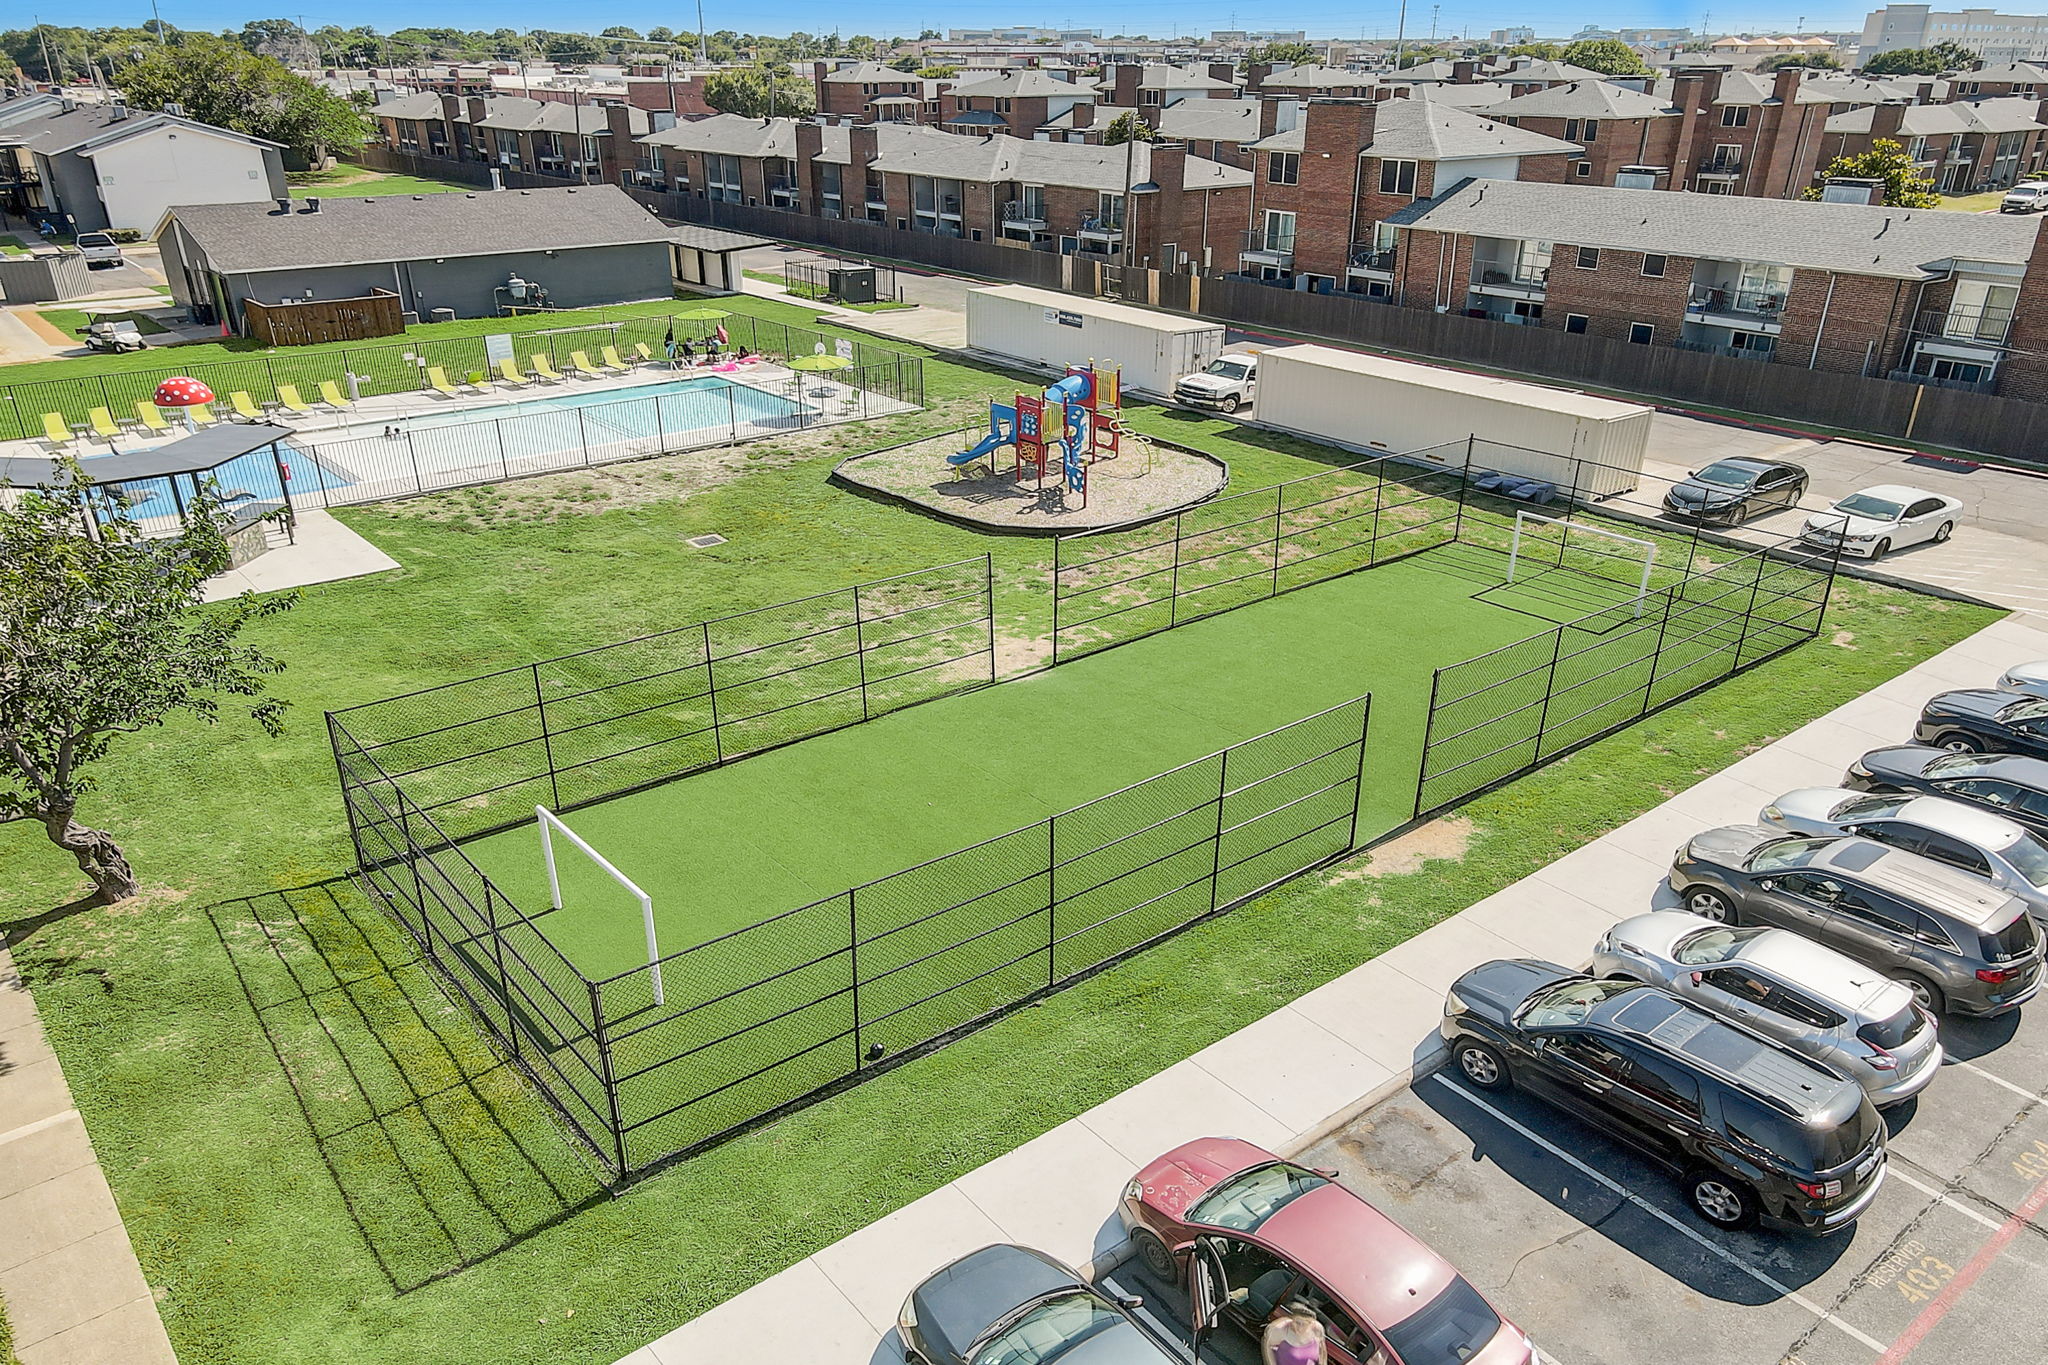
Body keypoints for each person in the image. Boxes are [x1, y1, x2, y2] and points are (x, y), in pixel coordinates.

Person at [1262, 1301, 1327, 1365]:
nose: (1300, 1326)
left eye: (1305, 1323)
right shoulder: (1281, 1329)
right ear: (1292, 1320)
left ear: (1312, 1323)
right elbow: (1267, 1345)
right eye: (1297, 1322)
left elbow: (1322, 1351)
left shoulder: (1317, 1330)